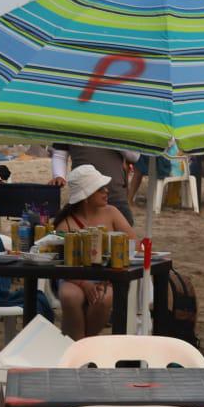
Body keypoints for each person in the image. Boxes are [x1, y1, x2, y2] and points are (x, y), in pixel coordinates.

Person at [52, 165, 137, 340]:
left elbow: (132, 242)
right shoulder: (66, 224)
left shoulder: (111, 213)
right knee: (70, 296)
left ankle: (83, 344)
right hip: (73, 276)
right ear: (86, 197)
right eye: (100, 189)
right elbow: (59, 262)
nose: (106, 192)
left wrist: (111, 275)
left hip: (107, 276)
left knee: (103, 298)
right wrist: (84, 283)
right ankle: (78, 345)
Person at [50, 144, 139, 226]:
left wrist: (112, 136)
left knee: (125, 239)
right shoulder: (72, 126)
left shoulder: (119, 126)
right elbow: (60, 154)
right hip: (83, 199)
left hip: (116, 195)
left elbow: (134, 156)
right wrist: (59, 175)